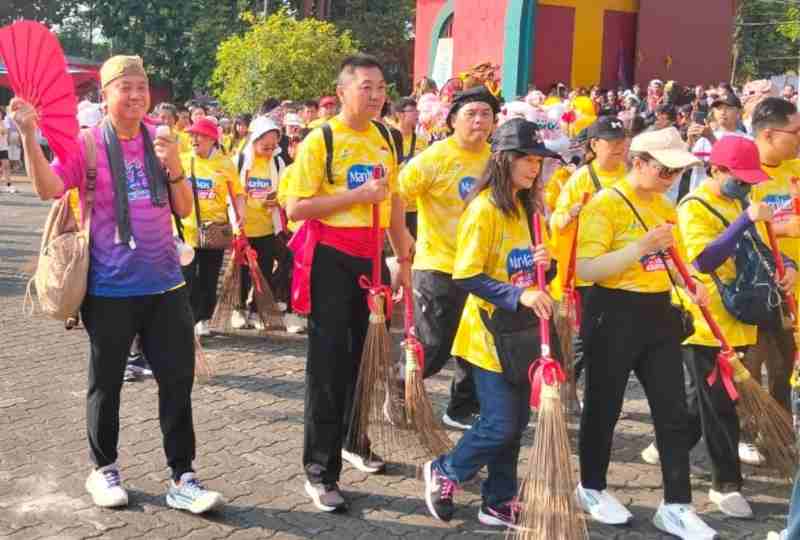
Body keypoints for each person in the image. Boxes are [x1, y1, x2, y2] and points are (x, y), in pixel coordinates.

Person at [9, 55, 223, 512]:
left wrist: (174, 164)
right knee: (106, 385)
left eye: (141, 87)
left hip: (166, 284)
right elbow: (48, 188)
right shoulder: (86, 145)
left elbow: (184, 208)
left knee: (177, 383)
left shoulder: (161, 139)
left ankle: (183, 476)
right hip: (110, 288)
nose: (135, 95)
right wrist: (28, 134)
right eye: (125, 87)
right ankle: (103, 468)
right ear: (104, 95)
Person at [575, 127, 717, 539]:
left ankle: (677, 504)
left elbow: (677, 260)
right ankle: (591, 486)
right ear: (638, 163)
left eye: (677, 172)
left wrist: (693, 282)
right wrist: (640, 247)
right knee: (604, 407)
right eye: (664, 170)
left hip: (659, 314)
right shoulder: (605, 203)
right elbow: (586, 268)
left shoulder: (665, 205)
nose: (671, 178)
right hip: (613, 313)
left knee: (672, 413)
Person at [285, 54, 411, 512]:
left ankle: (354, 440)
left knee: (366, 358)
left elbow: (394, 201)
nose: (376, 95)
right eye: (366, 87)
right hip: (331, 260)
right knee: (328, 365)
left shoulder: (387, 137)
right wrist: (357, 196)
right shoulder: (321, 139)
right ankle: (320, 470)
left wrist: (403, 256)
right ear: (342, 92)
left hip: (371, 259)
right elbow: (296, 207)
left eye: (381, 88)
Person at [422, 118, 559, 529]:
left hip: (521, 335)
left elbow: (531, 273)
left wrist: (547, 268)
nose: (535, 167)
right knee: (500, 424)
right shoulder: (484, 209)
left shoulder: (529, 208)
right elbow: (466, 274)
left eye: (538, 160)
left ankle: (498, 500)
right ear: (503, 160)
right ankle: (446, 470)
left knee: (514, 424)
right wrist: (519, 295)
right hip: (487, 336)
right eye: (527, 158)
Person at [641, 136, 788, 518]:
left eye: (751, 181)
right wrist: (745, 220)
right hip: (704, 322)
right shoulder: (694, 207)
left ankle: (667, 444)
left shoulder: (738, 202)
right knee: (721, 404)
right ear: (716, 170)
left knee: (702, 401)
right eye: (740, 179)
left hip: (739, 320)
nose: (746, 186)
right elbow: (704, 260)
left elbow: (758, 248)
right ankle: (726, 484)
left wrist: (787, 267)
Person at [399, 86, 499, 431]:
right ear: (453, 119)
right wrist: (402, 237)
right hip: (438, 265)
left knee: (476, 343)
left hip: (482, 268)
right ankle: (399, 392)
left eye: (486, 114)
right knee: (433, 345)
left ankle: (460, 408)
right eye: (471, 114)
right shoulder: (434, 158)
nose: (479, 120)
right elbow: (396, 195)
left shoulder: (497, 160)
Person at [550, 116, 628, 381]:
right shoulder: (582, 178)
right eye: (612, 142)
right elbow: (556, 221)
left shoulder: (629, 174)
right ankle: (564, 385)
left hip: (621, 269)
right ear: (594, 144)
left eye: (622, 141)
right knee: (583, 337)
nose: (619, 147)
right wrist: (570, 214)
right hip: (588, 272)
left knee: (611, 336)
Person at [746, 97, 800, 415]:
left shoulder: (795, 168)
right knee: (750, 368)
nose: (799, 138)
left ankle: (782, 432)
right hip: (758, 290)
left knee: (784, 370)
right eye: (794, 131)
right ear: (768, 134)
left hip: (793, 288)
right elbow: (734, 229)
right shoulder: (744, 173)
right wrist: (783, 229)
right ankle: (748, 430)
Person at [179, 116, 246, 337]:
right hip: (186, 231)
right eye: (191, 135)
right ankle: (188, 318)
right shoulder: (183, 160)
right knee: (187, 277)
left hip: (214, 232)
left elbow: (238, 193)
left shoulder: (225, 164)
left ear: (211, 139)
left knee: (209, 277)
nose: (193, 139)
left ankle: (204, 318)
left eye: (198, 135)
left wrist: (240, 216)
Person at [231, 116, 287, 330]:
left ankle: (256, 309)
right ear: (254, 141)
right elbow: (231, 192)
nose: (270, 150)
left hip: (267, 226)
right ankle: (239, 309)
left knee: (263, 270)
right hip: (244, 227)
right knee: (242, 271)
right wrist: (236, 219)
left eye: (273, 146)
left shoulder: (277, 163)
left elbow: (285, 189)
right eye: (265, 146)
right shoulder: (240, 161)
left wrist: (277, 200)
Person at [393, 97, 428, 239]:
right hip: (394, 202)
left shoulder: (422, 141)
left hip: (415, 204)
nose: (416, 114)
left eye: (417, 111)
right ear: (400, 115)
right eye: (412, 111)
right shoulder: (388, 137)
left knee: (414, 243)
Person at [0, 108, 11, 193]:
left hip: (3, 147)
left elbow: (4, 132)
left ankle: (8, 185)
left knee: (6, 166)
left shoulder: (5, 122)